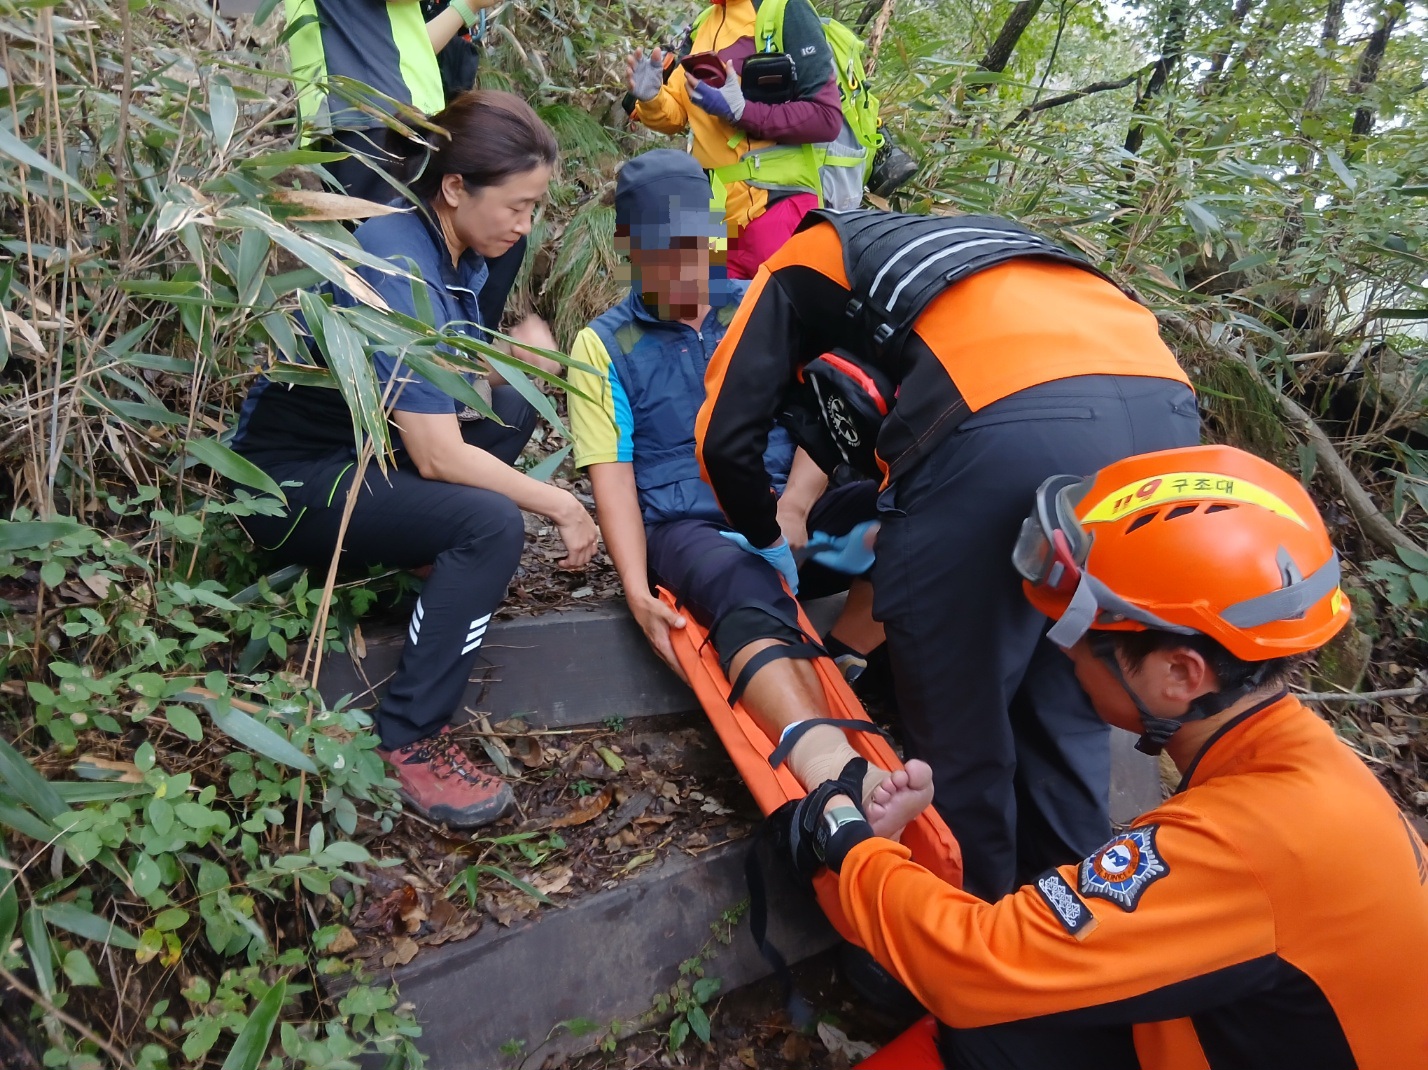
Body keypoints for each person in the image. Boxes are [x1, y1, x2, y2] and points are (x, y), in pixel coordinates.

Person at [776, 444, 1428, 1069]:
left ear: (1180, 673)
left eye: (1079, 631)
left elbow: (973, 966)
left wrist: (848, 845)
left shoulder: (1250, 844)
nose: (1062, 649)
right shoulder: (1297, 767)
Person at [696, 209, 1201, 901]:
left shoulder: (798, 259)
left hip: (1003, 418)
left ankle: (972, 934)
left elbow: (724, 437)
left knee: (961, 727)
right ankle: (1079, 934)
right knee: (1068, 699)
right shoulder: (969, 252)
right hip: (1164, 420)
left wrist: (764, 538)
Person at [232, 91, 599, 827]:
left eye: (534, 208)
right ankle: (408, 737)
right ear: (455, 187)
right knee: (492, 524)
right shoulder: (400, 258)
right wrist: (562, 502)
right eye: (518, 206)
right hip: (288, 485)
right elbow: (435, 453)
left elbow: (434, 374)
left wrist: (513, 360)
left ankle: (429, 560)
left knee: (514, 401)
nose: (525, 225)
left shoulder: (447, 246)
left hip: (360, 451)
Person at [565, 151, 930, 828]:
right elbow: (611, 474)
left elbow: (824, 416)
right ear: (630, 250)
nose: (682, 271)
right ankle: (835, 771)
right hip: (689, 525)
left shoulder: (762, 303)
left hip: (791, 506)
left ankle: (845, 656)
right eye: (661, 254)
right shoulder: (604, 345)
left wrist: (793, 507)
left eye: (692, 248)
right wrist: (638, 590)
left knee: (916, 514)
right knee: (742, 577)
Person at [284, 0, 548, 362]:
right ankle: (449, 370)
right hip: (369, 116)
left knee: (493, 243)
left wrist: (465, 8)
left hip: (402, 118)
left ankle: (465, 362)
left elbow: (411, 46)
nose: (526, 220)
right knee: (400, 271)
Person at [624, 0, 844, 279]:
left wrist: (742, 112)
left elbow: (826, 117)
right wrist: (652, 98)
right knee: (703, 308)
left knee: (777, 307)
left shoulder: (785, 9)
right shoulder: (703, 24)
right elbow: (677, 114)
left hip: (779, 210)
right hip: (716, 220)